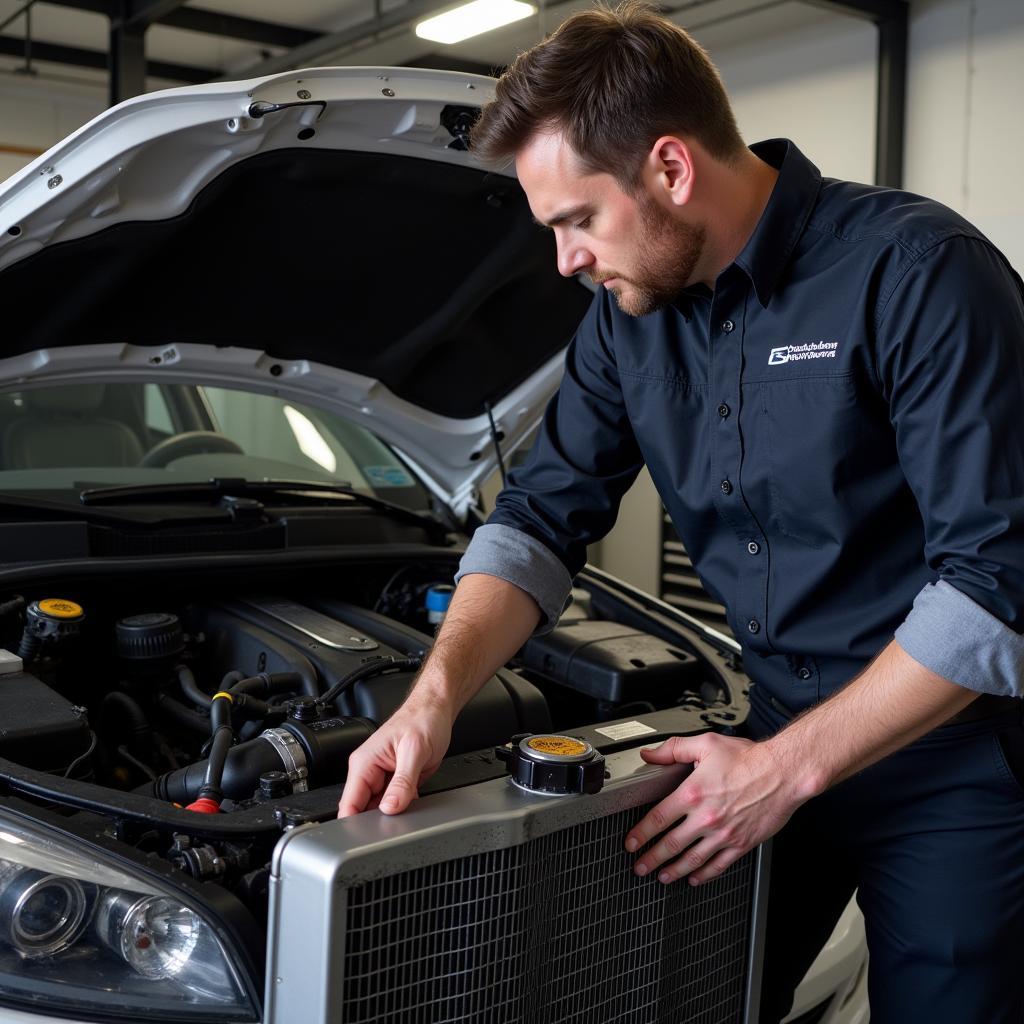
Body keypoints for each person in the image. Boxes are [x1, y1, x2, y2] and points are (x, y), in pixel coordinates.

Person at [338, 4, 1024, 1020]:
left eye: (577, 220)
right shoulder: (625, 326)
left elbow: (994, 586)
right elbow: (535, 519)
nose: (564, 259)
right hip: (768, 731)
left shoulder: (914, 273)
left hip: (947, 767)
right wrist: (432, 698)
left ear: (669, 167)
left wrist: (785, 770)